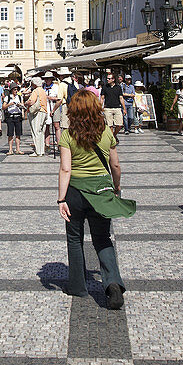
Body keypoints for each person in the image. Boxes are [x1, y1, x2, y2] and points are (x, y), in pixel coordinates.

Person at [56, 89, 132, 309]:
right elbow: (115, 165)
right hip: (101, 191)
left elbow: (65, 169)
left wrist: (61, 199)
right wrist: (116, 186)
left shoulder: (68, 135)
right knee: (102, 238)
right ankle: (113, 284)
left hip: (76, 192)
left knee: (74, 238)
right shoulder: (107, 133)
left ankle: (78, 286)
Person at [26, 77, 49, 156]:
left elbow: (31, 101)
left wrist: (26, 102)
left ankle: (37, 151)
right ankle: (41, 150)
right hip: (44, 111)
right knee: (41, 132)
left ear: (34, 84)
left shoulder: (35, 91)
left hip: (37, 112)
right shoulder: (43, 90)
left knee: (36, 131)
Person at [4, 85, 26, 155]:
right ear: (11, 90)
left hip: (18, 116)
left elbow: (23, 106)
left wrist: (20, 105)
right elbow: (3, 107)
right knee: (10, 134)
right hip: (10, 116)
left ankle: (18, 149)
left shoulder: (19, 97)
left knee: (18, 134)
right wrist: (9, 104)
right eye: (14, 89)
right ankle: (10, 149)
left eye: (17, 89)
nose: (16, 91)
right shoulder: (7, 97)